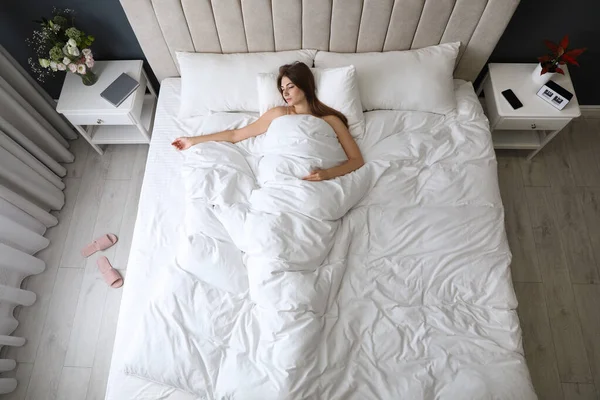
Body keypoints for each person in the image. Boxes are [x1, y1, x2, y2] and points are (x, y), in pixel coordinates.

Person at [171, 62, 364, 181]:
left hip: (318, 181)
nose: (285, 93)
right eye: (282, 88)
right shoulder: (279, 113)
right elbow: (236, 135)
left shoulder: (330, 120)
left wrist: (328, 174)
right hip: (279, 177)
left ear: (305, 87)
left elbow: (357, 160)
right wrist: (193, 140)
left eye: (290, 86)